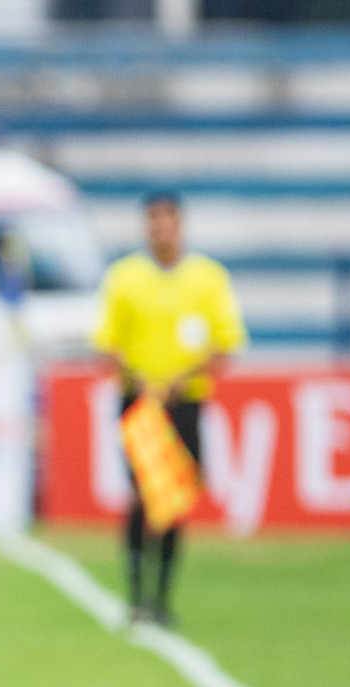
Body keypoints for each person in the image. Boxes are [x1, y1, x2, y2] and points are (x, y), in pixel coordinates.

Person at [92, 191, 248, 626]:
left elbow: (226, 341)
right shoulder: (125, 278)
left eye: (167, 221)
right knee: (142, 496)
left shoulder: (207, 278)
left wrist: (183, 378)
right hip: (140, 404)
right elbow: (107, 343)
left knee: (174, 499)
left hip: (185, 402)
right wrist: (141, 380)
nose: (160, 229)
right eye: (153, 222)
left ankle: (162, 596)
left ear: (180, 224)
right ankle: (137, 592)